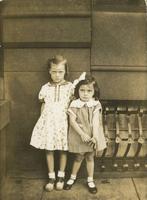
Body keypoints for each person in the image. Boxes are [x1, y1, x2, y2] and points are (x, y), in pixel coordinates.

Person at [30, 55, 85, 192]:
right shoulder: (45, 88)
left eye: (60, 71)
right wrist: (43, 123)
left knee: (62, 149)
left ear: (65, 71)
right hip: (49, 122)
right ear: (49, 71)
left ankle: (61, 177)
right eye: (54, 71)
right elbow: (43, 107)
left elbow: (74, 104)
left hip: (63, 123)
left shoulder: (70, 87)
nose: (57, 75)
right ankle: (51, 177)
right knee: (49, 149)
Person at [64, 75, 107, 194]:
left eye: (89, 91)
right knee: (78, 157)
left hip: (92, 134)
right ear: (78, 91)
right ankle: (72, 177)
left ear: (94, 92)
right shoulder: (75, 104)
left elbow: (95, 121)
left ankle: (90, 180)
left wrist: (95, 136)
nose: (85, 93)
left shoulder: (95, 104)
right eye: (82, 90)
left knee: (90, 157)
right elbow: (72, 121)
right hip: (79, 134)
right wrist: (82, 134)